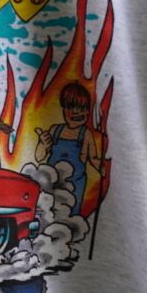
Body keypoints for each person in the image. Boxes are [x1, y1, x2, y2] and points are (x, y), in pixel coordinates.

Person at [33, 82, 105, 212]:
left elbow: (93, 158)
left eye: (82, 108)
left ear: (87, 111)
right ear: (63, 108)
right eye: (71, 107)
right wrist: (42, 144)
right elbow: (39, 157)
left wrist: (103, 169)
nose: (76, 112)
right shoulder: (55, 130)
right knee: (47, 212)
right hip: (51, 183)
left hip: (75, 185)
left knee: (69, 214)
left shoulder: (86, 134)